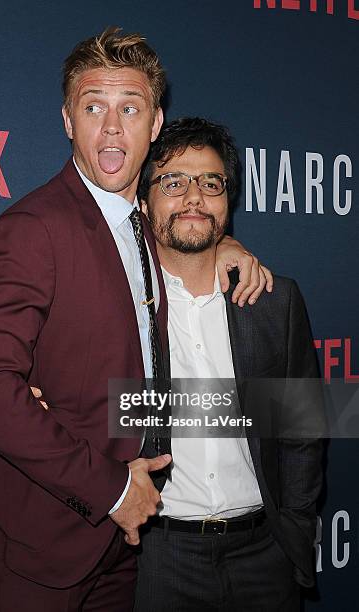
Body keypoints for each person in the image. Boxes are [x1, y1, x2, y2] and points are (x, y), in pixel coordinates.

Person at [0, 29, 272, 611]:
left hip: (124, 550)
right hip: (37, 542)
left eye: (130, 108)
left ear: (154, 124)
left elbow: (188, 237)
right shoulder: (31, 230)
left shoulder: (143, 229)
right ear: (68, 121)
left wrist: (226, 246)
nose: (111, 126)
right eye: (93, 106)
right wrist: (113, 489)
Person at [131, 117, 323, 611]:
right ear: (144, 200)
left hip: (265, 554)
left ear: (227, 202)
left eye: (210, 183)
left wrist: (295, 524)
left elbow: (302, 428)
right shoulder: (122, 304)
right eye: (173, 182)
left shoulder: (273, 302)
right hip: (157, 558)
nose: (194, 196)